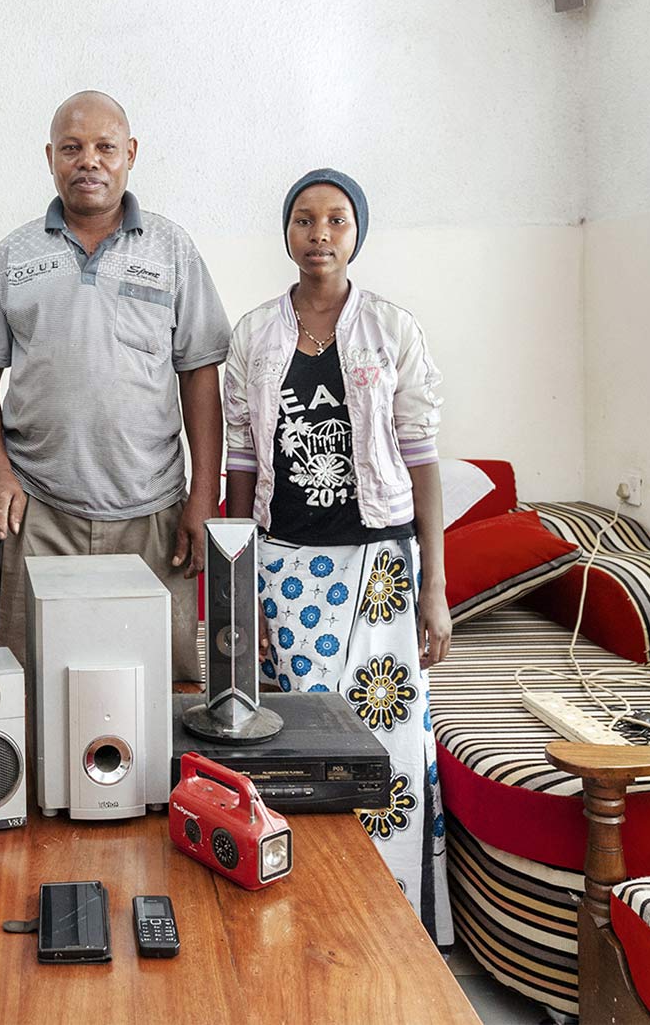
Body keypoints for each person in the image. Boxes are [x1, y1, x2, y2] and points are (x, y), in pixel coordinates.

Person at [222, 168, 451, 940]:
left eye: (337, 220)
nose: (320, 233)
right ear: (286, 232)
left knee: (386, 748)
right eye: (305, 219)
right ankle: (305, 912)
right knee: (297, 753)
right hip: (286, 566)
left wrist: (435, 588)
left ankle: (393, 923)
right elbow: (241, 466)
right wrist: (238, 586)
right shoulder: (253, 334)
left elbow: (423, 460)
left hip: (382, 568)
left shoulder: (392, 329)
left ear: (357, 234)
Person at [0, 90, 230, 682]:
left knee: (159, 692)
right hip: (39, 514)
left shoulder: (172, 249)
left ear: (130, 153)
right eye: (72, 148)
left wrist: (204, 498)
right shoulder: (12, 256)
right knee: (30, 686)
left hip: (153, 514)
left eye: (105, 147)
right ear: (50, 157)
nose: (89, 161)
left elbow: (200, 377)